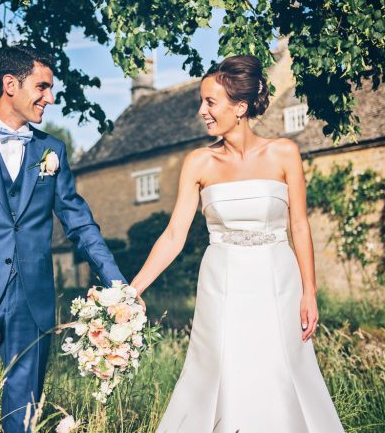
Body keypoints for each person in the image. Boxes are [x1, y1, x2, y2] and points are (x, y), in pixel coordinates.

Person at [130, 55, 345, 432]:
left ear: (240, 107)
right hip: (222, 285)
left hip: (278, 283)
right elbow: (175, 234)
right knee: (224, 370)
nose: (202, 111)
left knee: (278, 370)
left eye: (210, 102)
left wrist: (309, 291)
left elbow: (299, 224)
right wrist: (133, 290)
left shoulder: (284, 153)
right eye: (202, 101)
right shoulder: (198, 162)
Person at [0, 46, 126, 433]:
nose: (50, 97)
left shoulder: (52, 150)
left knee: (24, 419)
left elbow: (80, 223)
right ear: (10, 84)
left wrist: (118, 285)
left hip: (33, 303)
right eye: (42, 87)